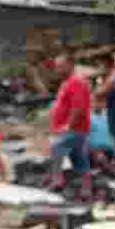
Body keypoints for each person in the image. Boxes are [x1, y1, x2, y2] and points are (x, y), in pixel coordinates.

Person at [47, 54, 92, 200]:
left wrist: (68, 126)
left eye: (61, 66)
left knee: (55, 146)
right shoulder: (67, 82)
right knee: (79, 159)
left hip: (74, 129)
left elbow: (77, 108)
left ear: (70, 65)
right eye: (56, 66)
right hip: (74, 129)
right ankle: (86, 190)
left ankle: (57, 181)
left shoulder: (76, 82)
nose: (57, 69)